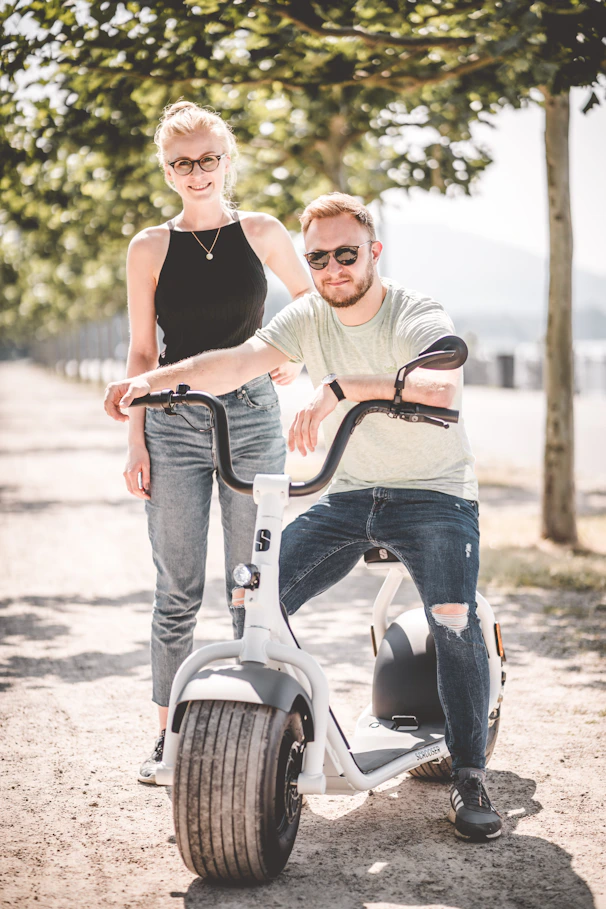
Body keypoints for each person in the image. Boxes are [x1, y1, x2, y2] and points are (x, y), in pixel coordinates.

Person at [105, 192, 502, 841]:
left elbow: (441, 388)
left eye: (347, 254)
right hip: (350, 495)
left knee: (452, 619)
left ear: (373, 252)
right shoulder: (308, 314)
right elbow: (233, 361)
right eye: (318, 257)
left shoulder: (413, 311)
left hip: (435, 494)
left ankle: (470, 770)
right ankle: (287, 733)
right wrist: (151, 383)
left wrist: (342, 386)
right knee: (253, 593)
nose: (332, 268)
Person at [121, 100, 312, 784]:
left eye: (208, 159)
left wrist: (293, 356)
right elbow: (143, 349)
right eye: (182, 163)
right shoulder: (148, 246)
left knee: (250, 585)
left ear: (227, 160)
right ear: (167, 169)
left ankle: (255, 732)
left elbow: (310, 303)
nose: (196, 173)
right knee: (176, 588)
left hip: (252, 416)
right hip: (171, 423)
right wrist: (136, 441)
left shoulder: (261, 230)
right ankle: (172, 736)